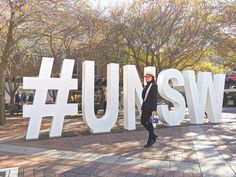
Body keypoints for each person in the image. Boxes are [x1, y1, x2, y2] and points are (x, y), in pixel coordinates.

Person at [141, 72, 158, 148]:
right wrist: (142, 106)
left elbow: (154, 98)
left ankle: (150, 141)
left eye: (149, 77)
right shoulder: (146, 85)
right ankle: (153, 136)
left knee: (151, 124)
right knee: (143, 121)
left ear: (152, 78)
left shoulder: (154, 85)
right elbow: (145, 98)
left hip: (150, 108)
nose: (147, 78)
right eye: (146, 77)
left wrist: (154, 109)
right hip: (145, 107)